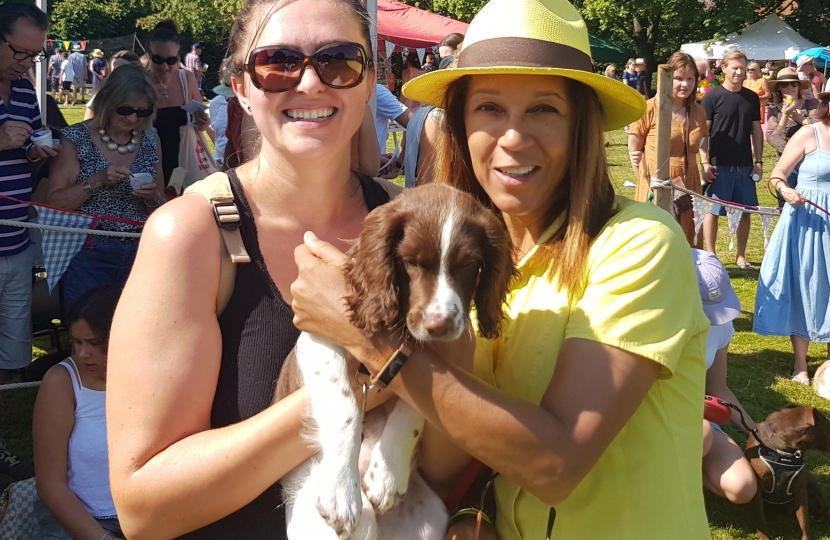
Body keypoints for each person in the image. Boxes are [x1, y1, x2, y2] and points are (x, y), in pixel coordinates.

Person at [291, 1, 711, 539]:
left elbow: (554, 466)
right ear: (460, 122)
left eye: (543, 110)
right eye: (489, 107)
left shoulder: (639, 243)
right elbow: (452, 455)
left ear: (581, 124)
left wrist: (370, 344)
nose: (513, 137)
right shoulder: (475, 258)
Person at [106, 0, 393, 537]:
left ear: (369, 81)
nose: (310, 83)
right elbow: (145, 508)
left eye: (339, 60)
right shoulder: (191, 235)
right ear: (241, 87)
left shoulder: (408, 226)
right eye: (277, 62)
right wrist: (354, 383)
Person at [47, 63, 165, 306]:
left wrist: (152, 197)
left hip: (141, 250)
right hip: (89, 252)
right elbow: (54, 203)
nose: (133, 118)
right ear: (108, 102)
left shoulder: (150, 137)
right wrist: (96, 181)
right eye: (125, 110)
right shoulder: (76, 137)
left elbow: (161, 207)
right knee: (89, 331)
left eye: (142, 112)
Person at [33, 285, 124, 540]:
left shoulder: (157, 376)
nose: (83, 354)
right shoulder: (62, 381)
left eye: (95, 343)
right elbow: (50, 485)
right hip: (82, 521)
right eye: (76, 342)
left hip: (150, 519)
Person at [0, 1, 57, 404]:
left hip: (17, 241)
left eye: (34, 55)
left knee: (13, 339)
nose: (26, 63)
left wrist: (37, 154)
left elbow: (34, 141)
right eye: (19, 52)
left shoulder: (23, 88)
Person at [755, 93, 830, 386]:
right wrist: (785, 191)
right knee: (805, 284)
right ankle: (801, 365)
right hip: (807, 221)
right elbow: (777, 175)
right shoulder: (808, 133)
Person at [692, 249, 757, 505]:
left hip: (699, 420)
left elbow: (719, 388)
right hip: (652, 417)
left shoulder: (720, 325)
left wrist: (759, 435)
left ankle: (688, 474)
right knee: (703, 434)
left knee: (743, 487)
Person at [628, 51, 711, 247]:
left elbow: (701, 144)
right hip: (657, 182)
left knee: (687, 239)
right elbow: (635, 152)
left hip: (689, 182)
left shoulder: (698, 111)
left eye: (690, 78)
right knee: (656, 238)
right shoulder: (650, 108)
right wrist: (648, 182)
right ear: (667, 79)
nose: (685, 84)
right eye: (679, 78)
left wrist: (705, 163)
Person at [701, 49, 763, 269]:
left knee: (745, 211)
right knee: (714, 210)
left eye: (742, 68)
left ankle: (741, 256)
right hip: (719, 164)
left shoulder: (752, 97)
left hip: (745, 164)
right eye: (735, 67)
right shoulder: (711, 98)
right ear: (723, 68)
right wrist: (705, 162)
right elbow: (703, 134)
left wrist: (759, 161)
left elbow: (757, 131)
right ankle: (711, 255)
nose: (739, 72)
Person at [145, 20, 208, 187]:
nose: (165, 66)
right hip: (146, 163)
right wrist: (150, 103)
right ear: (148, 54)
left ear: (179, 56)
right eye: (158, 59)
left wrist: (202, 122)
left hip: (181, 162)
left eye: (171, 60)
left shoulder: (186, 79)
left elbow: (198, 121)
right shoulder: (139, 81)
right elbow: (126, 126)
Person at [765, 67, 818, 206]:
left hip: (810, 163)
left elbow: (819, 129)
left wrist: (799, 118)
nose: (790, 87)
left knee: (811, 206)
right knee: (787, 208)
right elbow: (774, 140)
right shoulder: (774, 110)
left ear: (799, 86)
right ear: (779, 89)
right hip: (786, 165)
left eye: (794, 84)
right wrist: (785, 116)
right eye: (784, 85)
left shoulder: (812, 105)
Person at [83, 50, 142, 121]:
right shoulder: (101, 98)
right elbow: (86, 126)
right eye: (115, 71)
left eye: (125, 70)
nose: (120, 74)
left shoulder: (148, 96)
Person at [210, 58, 234, 167]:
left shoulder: (250, 104)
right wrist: (205, 126)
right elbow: (217, 137)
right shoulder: (216, 102)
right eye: (223, 75)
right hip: (219, 165)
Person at [744, 61, 770, 125]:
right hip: (747, 109)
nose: (750, 71)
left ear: (757, 70)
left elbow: (768, 95)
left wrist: (758, 98)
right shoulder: (745, 82)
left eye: (752, 69)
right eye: (748, 69)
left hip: (759, 109)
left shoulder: (762, 81)